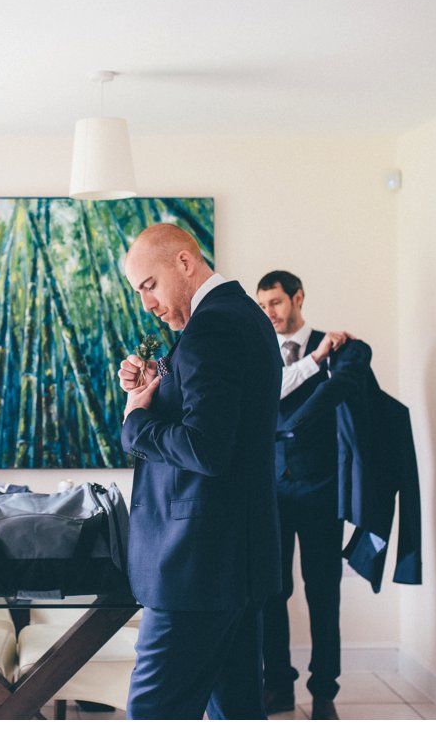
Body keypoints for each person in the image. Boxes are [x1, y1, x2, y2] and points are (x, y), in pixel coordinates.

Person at [117, 224, 282, 720]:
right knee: (237, 713)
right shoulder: (236, 318)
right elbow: (216, 423)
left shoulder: (212, 327)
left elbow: (206, 448)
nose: (146, 303)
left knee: (152, 713)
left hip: (197, 569)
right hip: (232, 564)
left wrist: (136, 423)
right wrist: (156, 385)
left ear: (185, 263)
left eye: (149, 285)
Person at [255, 270, 371, 721]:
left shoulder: (337, 345)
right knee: (271, 592)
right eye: (263, 305)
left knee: (324, 592)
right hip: (271, 493)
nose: (270, 314)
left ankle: (325, 692)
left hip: (322, 490)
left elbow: (345, 392)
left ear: (298, 297)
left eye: (276, 303)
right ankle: (278, 687)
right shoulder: (261, 351)